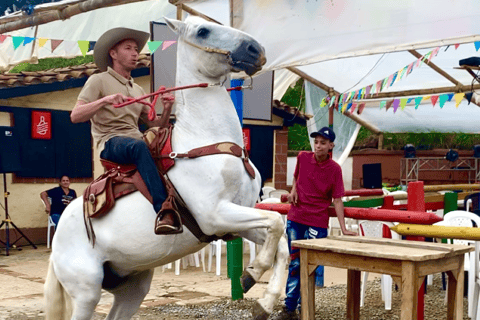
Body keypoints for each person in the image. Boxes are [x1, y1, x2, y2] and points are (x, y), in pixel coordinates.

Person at [70, 27, 179, 234]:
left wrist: (166, 109)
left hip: (136, 140)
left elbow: (156, 126)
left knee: (172, 145)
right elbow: (75, 115)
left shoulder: (137, 89)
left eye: (136, 49)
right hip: (111, 142)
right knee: (138, 146)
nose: (135, 53)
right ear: (113, 54)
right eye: (128, 48)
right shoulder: (98, 80)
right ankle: (164, 210)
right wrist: (105, 100)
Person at [274, 127, 357, 320]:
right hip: (296, 217)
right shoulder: (303, 157)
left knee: (311, 264)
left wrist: (344, 228)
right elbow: (296, 176)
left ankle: (306, 307)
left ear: (330, 146)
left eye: (322, 143)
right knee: (295, 263)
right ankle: (289, 308)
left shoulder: (335, 169)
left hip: (317, 222)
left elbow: (337, 200)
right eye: (316, 142)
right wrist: (293, 189)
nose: (318, 146)